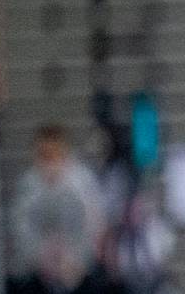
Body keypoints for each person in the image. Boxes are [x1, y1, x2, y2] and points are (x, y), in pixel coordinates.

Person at [9, 125, 113, 294]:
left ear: (64, 153)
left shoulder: (83, 181)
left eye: (54, 154)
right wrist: (40, 258)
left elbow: (96, 224)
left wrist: (77, 261)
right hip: (38, 274)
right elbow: (20, 229)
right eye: (43, 155)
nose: (49, 161)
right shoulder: (28, 185)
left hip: (80, 272)